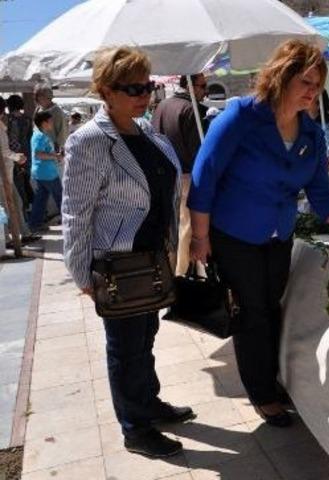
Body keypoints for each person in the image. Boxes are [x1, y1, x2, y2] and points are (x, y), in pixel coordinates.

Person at [187, 40, 329, 428]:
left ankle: (271, 380)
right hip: (234, 234)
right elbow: (203, 179)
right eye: (306, 81)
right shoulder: (240, 118)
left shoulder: (311, 134)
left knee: (272, 307)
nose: (313, 90)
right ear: (281, 76)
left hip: (278, 236)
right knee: (252, 313)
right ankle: (262, 393)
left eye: (318, 83)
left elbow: (322, 196)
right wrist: (200, 237)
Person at [62, 46, 192, 458]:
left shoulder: (148, 133)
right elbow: (75, 212)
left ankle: (148, 402)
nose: (143, 94)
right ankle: (135, 427)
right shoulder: (89, 142)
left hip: (153, 256)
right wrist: (82, 272)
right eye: (132, 87)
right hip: (117, 264)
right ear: (105, 91)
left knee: (146, 338)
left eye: (148, 85)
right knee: (125, 345)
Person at [152, 72, 209, 276]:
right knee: (187, 230)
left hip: (164, 176)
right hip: (186, 176)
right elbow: (198, 152)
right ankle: (181, 276)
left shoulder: (162, 106)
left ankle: (170, 270)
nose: (206, 91)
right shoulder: (190, 109)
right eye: (203, 86)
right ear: (191, 86)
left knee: (172, 228)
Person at [0, 96, 33, 243]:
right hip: (5, 173)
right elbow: (5, 151)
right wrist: (18, 157)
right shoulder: (24, 120)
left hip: (7, 172)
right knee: (8, 206)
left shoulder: (5, 124)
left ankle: (18, 235)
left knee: (14, 203)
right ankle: (8, 239)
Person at [28, 111, 64, 232]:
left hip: (41, 172)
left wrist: (54, 155)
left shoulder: (38, 135)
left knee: (41, 199)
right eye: (50, 121)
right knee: (61, 197)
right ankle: (69, 221)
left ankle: (35, 224)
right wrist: (55, 157)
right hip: (48, 173)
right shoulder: (40, 136)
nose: (52, 123)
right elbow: (39, 154)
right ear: (44, 123)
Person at [6, 94, 33, 213]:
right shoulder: (27, 118)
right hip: (26, 151)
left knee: (18, 184)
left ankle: (23, 209)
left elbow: (9, 138)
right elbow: (30, 136)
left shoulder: (8, 119)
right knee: (26, 180)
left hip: (14, 154)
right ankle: (30, 207)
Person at [34, 84, 69, 151]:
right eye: (37, 97)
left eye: (40, 97)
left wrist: (58, 150)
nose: (38, 100)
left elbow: (62, 133)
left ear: (48, 98)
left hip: (51, 150)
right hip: (38, 146)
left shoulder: (57, 112)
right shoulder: (38, 109)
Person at [307, 89, 329, 161]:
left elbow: (328, 155)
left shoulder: (326, 127)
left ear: (318, 104)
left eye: (309, 99)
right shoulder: (305, 124)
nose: (305, 103)